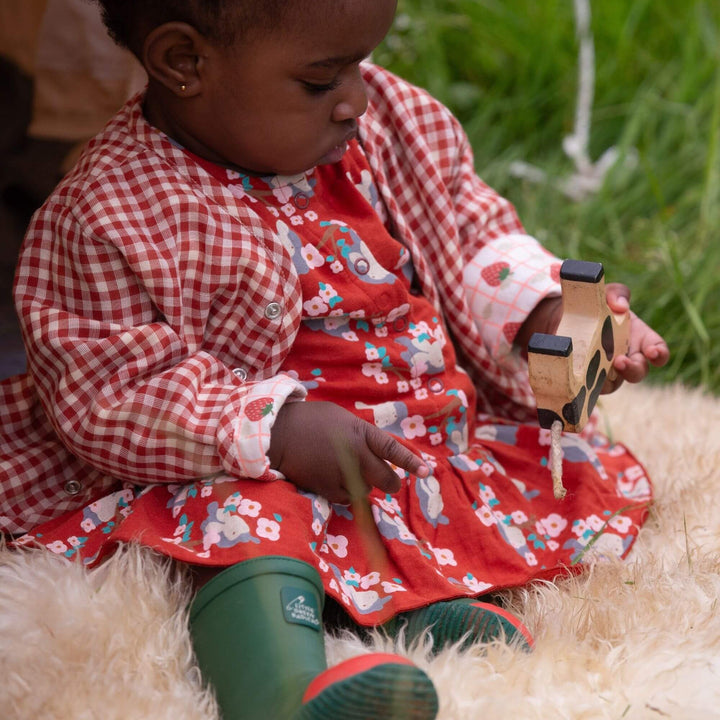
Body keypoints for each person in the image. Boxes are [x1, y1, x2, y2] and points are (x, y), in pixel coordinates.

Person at [1, 1, 669, 718]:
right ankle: (281, 689)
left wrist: (545, 310)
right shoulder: (113, 212)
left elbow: (466, 229)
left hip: (406, 447)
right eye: (321, 80)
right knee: (245, 519)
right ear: (185, 63)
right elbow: (111, 387)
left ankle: (402, 607)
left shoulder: (382, 123)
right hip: (248, 462)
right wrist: (274, 431)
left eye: (361, 61)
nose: (356, 96)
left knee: (471, 481)